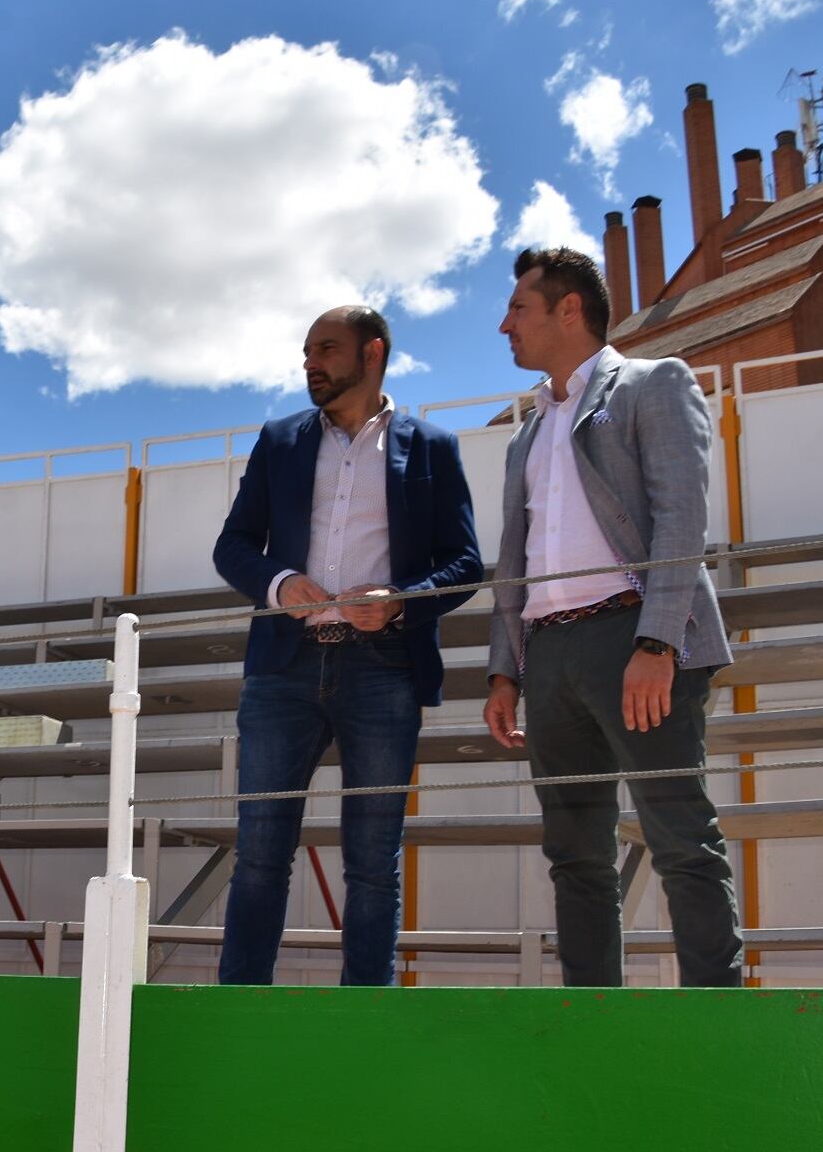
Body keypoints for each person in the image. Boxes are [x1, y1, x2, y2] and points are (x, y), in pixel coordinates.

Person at [482, 247, 743, 987]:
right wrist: (506, 670)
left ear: (570, 310)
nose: (506, 325)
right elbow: (515, 559)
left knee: (680, 838)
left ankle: (717, 1017)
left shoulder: (655, 383)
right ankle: (593, 1017)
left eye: (519, 308)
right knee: (575, 856)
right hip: (551, 656)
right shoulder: (526, 433)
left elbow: (681, 517)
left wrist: (658, 641)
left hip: (637, 640)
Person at [212, 305, 482, 985]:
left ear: (373, 352)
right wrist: (278, 583)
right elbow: (233, 545)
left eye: (326, 348)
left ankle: (367, 1018)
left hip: (385, 667)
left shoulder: (433, 447)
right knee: (260, 854)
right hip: (282, 667)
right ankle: (239, 1011)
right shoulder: (278, 442)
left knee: (372, 862)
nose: (310, 362)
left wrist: (398, 603)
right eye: (306, 351)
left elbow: (465, 564)